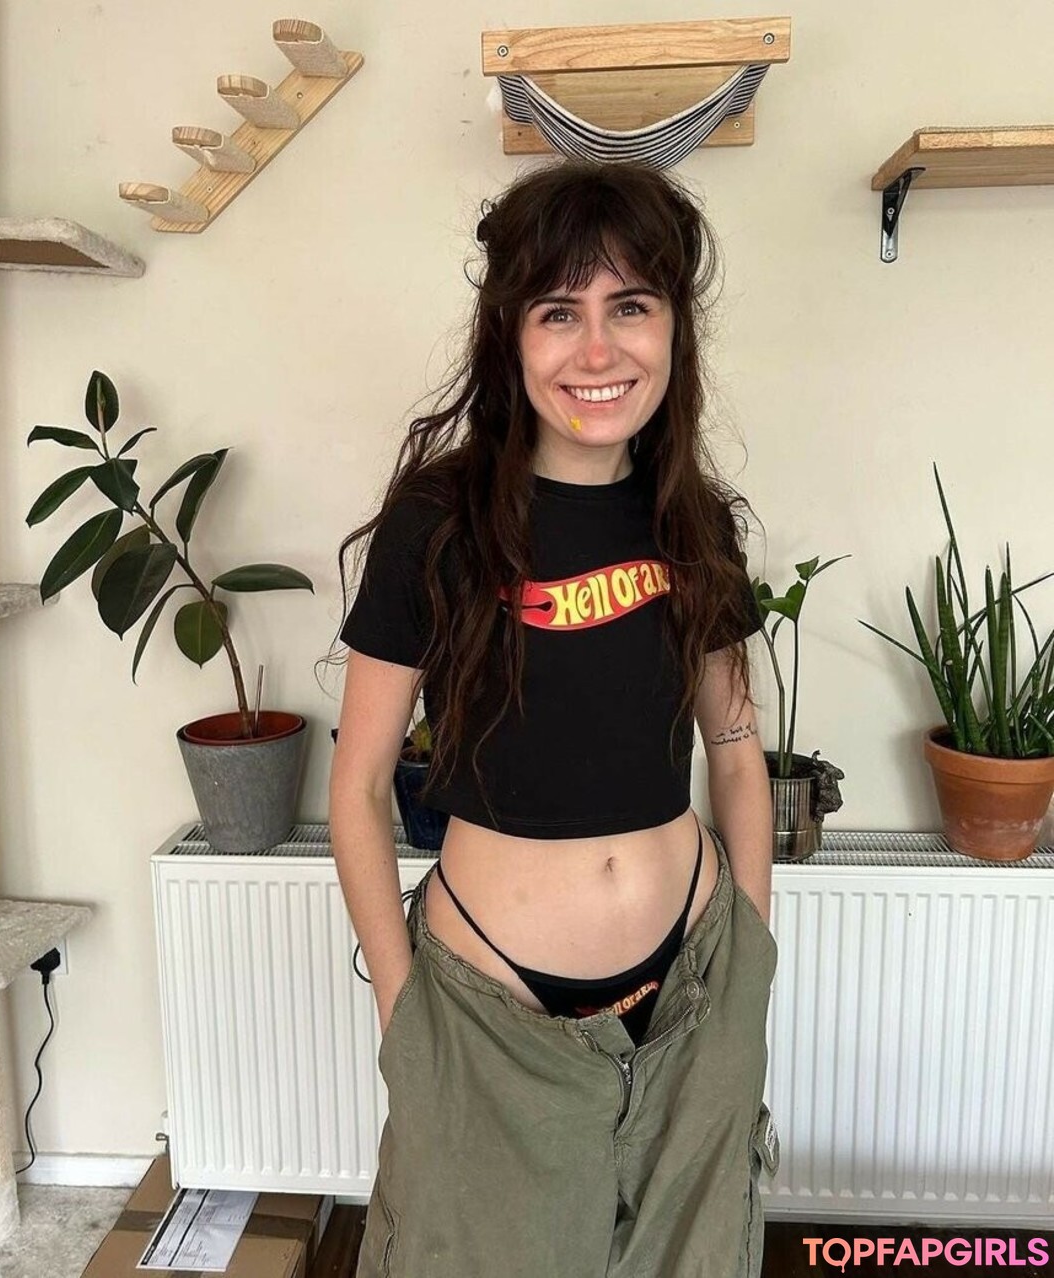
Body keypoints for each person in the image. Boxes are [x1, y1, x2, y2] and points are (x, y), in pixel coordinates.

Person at [326, 158, 778, 1278]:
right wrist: (404, 1018)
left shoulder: (696, 522)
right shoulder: (437, 521)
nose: (598, 350)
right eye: (559, 312)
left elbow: (734, 751)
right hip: (489, 1021)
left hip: (694, 998)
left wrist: (749, 964)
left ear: (674, 329)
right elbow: (360, 785)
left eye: (632, 306)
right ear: (511, 336)